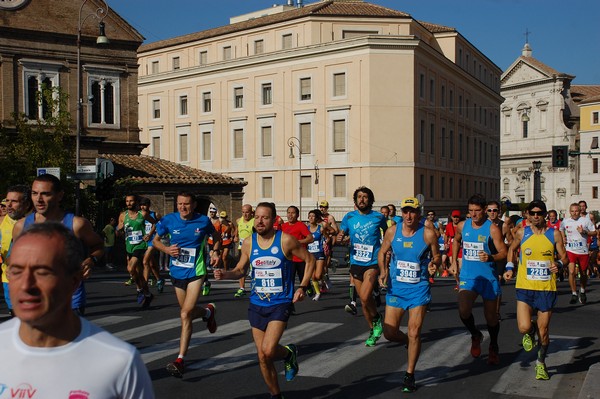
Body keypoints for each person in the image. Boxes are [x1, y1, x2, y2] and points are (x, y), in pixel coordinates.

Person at [2, 222, 154, 397]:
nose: (26, 285)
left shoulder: (120, 362)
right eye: (16, 271)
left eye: (42, 272)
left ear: (74, 281)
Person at [214, 202, 315, 399]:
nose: (260, 221)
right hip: (257, 304)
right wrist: (225, 274)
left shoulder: (286, 241)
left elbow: (309, 259)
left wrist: (302, 286)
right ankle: (276, 394)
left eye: (265, 217)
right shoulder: (249, 242)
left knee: (268, 350)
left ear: (274, 220)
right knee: (262, 356)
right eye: (257, 217)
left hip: (280, 303)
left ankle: (287, 353)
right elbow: (241, 270)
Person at [13, 174, 104, 316]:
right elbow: (14, 260)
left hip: (70, 301)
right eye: (34, 193)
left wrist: (91, 260)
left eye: (45, 194)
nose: (39, 199)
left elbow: (98, 246)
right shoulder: (21, 226)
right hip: (33, 300)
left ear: (59, 196)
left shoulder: (77, 224)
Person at [152, 191, 221, 378]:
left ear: (194, 205)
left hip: (196, 271)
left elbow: (217, 237)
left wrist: (215, 252)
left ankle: (180, 359)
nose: (183, 207)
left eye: (187, 204)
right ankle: (208, 312)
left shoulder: (203, 221)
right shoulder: (169, 220)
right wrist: (166, 249)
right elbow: (155, 240)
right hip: (177, 271)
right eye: (180, 204)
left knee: (184, 314)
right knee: (187, 312)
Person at [378, 197, 440, 392]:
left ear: (418, 213)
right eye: (405, 211)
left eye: (412, 211)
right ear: (401, 213)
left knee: (414, 332)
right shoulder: (392, 231)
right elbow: (382, 252)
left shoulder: (428, 233)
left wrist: (434, 264)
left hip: (418, 288)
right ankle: (407, 341)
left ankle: (409, 374)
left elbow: (436, 255)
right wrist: (383, 270)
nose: (408, 215)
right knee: (389, 332)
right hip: (396, 289)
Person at [504, 200, 568, 380]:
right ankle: (529, 333)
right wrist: (509, 267)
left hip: (546, 288)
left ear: (545, 215)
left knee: (544, 331)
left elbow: (565, 257)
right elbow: (512, 249)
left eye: (539, 213)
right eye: (532, 213)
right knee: (524, 327)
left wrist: (560, 264)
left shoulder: (554, 234)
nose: (535, 216)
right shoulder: (522, 232)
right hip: (525, 286)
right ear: (528, 215)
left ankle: (540, 363)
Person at [449, 194, 507, 365]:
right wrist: (453, 262)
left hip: (488, 278)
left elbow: (503, 252)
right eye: (470, 211)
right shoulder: (462, 225)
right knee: (463, 310)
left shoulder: (492, 229)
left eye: (477, 211)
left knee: (491, 318)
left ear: (484, 211)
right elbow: (456, 241)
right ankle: (475, 334)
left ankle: (494, 346)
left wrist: (490, 257)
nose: (473, 214)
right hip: (468, 276)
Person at [337, 186, 388, 346]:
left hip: (372, 262)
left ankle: (378, 319)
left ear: (370, 200)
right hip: (356, 262)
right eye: (359, 197)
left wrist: (387, 253)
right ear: (355, 200)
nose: (362, 199)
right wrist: (340, 237)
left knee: (365, 297)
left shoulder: (378, 217)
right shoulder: (349, 217)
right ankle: (373, 329)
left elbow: (387, 234)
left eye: (365, 197)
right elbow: (342, 234)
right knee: (364, 302)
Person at [117, 194, 155, 307]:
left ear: (136, 202)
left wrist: (149, 235)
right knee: (137, 273)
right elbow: (119, 230)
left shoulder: (142, 214)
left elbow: (155, 223)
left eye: (131, 201)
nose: (129, 203)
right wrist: (119, 229)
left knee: (130, 268)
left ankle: (139, 290)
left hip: (140, 246)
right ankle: (147, 293)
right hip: (129, 246)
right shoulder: (123, 215)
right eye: (127, 201)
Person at [1, 185, 33, 315]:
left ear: (26, 204)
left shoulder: (36, 223)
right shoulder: (1, 222)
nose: (8, 205)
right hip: (8, 279)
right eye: (7, 200)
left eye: (14, 201)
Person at [560, 202, 596, 304]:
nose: (574, 213)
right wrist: (563, 237)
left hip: (583, 251)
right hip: (570, 250)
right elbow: (561, 229)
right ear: (569, 212)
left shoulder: (585, 221)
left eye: (576, 211)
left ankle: (583, 291)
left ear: (580, 211)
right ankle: (574, 293)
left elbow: (594, 232)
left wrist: (585, 232)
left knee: (583, 272)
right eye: (572, 211)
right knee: (571, 271)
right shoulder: (566, 221)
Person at [281, 206, 314, 299]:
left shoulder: (300, 225)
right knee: (289, 281)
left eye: (293, 213)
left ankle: (308, 287)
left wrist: (296, 242)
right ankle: (290, 304)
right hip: (288, 259)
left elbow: (310, 238)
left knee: (302, 278)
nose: (290, 215)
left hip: (300, 258)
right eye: (289, 213)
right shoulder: (283, 226)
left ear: (297, 215)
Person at [487, 200, 507, 320]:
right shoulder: (484, 225)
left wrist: (510, 262)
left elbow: (510, 241)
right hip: (486, 257)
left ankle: (496, 311)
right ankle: (489, 308)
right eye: (490, 210)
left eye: (494, 210)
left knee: (497, 282)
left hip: (499, 257)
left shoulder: (503, 225)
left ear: (498, 211)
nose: (492, 213)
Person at [307, 209, 334, 301]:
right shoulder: (306, 229)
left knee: (318, 276)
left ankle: (325, 278)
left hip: (319, 253)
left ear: (316, 218)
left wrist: (326, 241)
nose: (311, 218)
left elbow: (328, 238)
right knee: (313, 276)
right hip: (310, 254)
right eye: (309, 216)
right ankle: (318, 293)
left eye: (313, 216)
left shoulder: (321, 228)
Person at [139, 197, 164, 292]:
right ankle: (159, 279)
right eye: (141, 205)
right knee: (151, 263)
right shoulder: (139, 215)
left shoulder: (155, 215)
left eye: (144, 205)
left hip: (153, 240)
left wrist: (150, 234)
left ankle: (144, 285)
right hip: (143, 241)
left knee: (145, 261)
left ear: (149, 206)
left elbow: (160, 225)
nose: (142, 207)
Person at [233, 203, 254, 297]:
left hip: (253, 248)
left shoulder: (254, 222)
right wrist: (236, 236)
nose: (245, 214)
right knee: (241, 268)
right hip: (242, 248)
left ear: (251, 213)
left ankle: (255, 287)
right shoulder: (238, 220)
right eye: (243, 212)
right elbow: (237, 229)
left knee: (254, 269)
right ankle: (242, 288)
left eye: (247, 212)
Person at [445, 210, 462, 290]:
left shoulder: (462, 225)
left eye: (457, 217)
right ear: (451, 217)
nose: (456, 219)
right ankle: (458, 282)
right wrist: (445, 243)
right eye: (454, 217)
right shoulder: (449, 226)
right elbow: (446, 235)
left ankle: (462, 282)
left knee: (461, 267)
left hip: (461, 249)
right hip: (452, 249)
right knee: (453, 268)